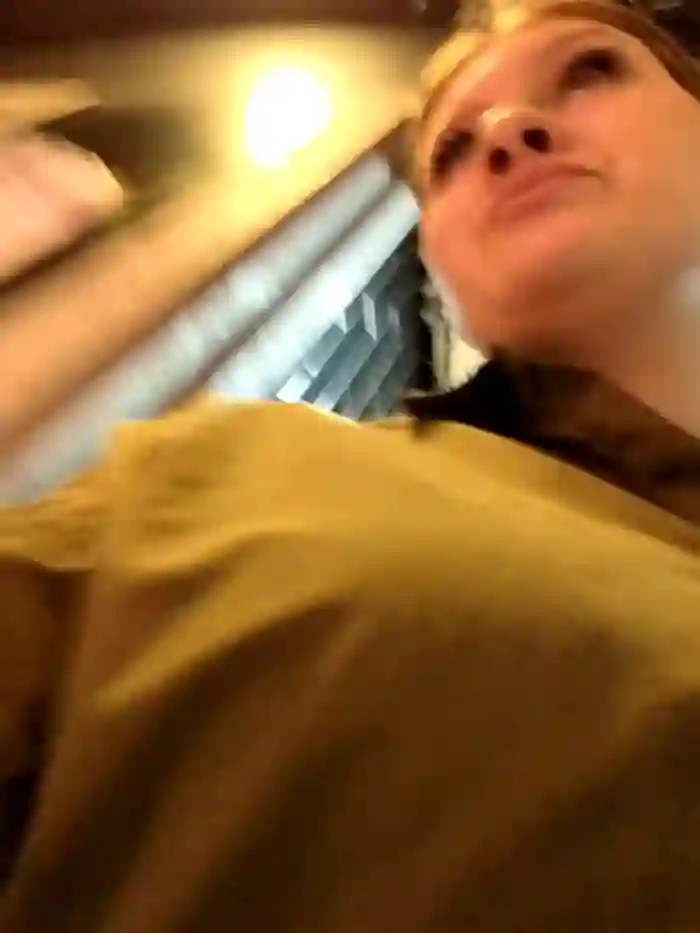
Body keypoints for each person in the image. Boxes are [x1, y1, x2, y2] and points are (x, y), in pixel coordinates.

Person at [2, 0, 700, 928]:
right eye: (451, 153)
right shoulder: (228, 478)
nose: (507, 131)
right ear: (447, 273)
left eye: (588, 72)